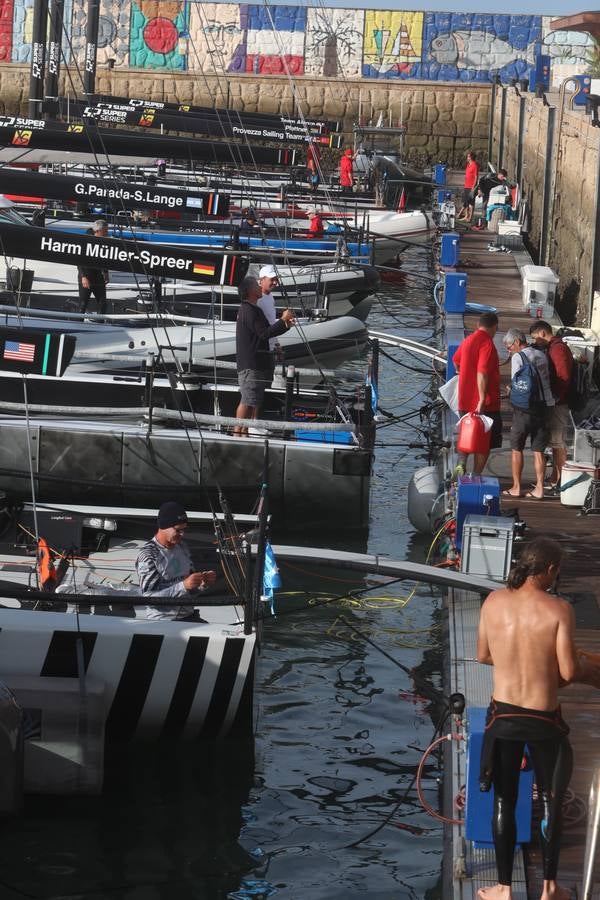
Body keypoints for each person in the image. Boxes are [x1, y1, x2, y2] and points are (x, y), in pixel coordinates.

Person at [476, 537, 580, 900]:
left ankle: (504, 889)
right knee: (552, 799)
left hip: (503, 716)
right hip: (544, 720)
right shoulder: (559, 609)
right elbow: (567, 672)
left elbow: (483, 655)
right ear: (550, 570)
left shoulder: (493, 601)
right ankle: (550, 887)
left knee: (505, 800)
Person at [135, 501, 217, 621]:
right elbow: (149, 599)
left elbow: (189, 590)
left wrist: (202, 584)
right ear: (163, 527)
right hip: (164, 621)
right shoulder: (148, 555)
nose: (182, 534)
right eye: (178, 530)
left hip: (189, 616)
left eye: (184, 530)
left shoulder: (182, 547)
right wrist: (183, 586)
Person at [235, 275, 294, 435]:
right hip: (250, 363)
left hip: (255, 362)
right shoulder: (248, 309)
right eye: (256, 285)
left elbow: (267, 332)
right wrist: (282, 320)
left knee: (252, 398)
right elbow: (264, 333)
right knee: (247, 400)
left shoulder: (253, 309)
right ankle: (237, 432)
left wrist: (285, 324)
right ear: (250, 291)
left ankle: (244, 432)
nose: (259, 288)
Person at [502, 328, 555, 500]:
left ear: (517, 342)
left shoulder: (518, 357)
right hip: (545, 406)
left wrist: (510, 389)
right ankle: (539, 488)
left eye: (509, 346)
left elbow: (517, 384)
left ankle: (516, 488)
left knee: (517, 448)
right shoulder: (541, 354)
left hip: (524, 409)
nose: (509, 350)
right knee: (538, 450)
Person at [452, 312, 502, 475]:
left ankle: (461, 464)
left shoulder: (467, 341)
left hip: (465, 400)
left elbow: (455, 360)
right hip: (485, 403)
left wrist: (463, 373)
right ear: (495, 327)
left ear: (478, 325)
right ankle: (476, 474)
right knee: (484, 443)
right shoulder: (487, 343)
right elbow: (482, 372)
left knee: (465, 434)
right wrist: (481, 398)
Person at [529, 320, 574, 492]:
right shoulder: (555, 347)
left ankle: (561, 480)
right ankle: (556, 477)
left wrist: (554, 397)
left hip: (559, 403)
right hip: (557, 400)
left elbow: (563, 375)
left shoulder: (557, 349)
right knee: (555, 442)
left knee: (558, 441)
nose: (535, 342)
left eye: (535, 338)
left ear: (542, 333)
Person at [78, 219, 109, 315]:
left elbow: (105, 258)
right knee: (83, 303)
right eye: (105, 231)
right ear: (98, 231)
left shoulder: (104, 241)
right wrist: (83, 276)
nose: (107, 233)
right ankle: (77, 323)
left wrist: (106, 272)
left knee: (102, 302)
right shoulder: (86, 241)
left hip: (98, 275)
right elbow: (79, 260)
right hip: (86, 275)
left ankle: (100, 324)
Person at [457, 150, 480, 222]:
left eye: (468, 156)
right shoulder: (468, 165)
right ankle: (466, 216)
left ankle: (470, 217)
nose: (467, 158)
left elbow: (476, 177)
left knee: (471, 202)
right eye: (467, 156)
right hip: (466, 186)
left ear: (471, 157)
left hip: (471, 186)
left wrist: (473, 187)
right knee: (466, 201)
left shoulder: (474, 165)